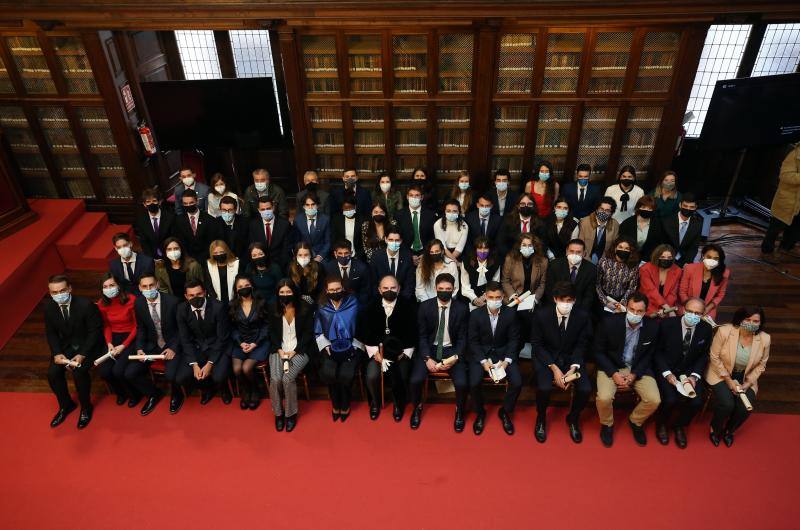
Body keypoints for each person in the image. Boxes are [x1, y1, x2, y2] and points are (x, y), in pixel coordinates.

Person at [594, 293, 661, 447]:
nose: (635, 314)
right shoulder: (609, 323)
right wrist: (614, 373)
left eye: (639, 311)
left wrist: (634, 374)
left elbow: (649, 355)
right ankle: (607, 424)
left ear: (645, 311)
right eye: (631, 309)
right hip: (611, 366)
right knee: (604, 398)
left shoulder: (652, 327)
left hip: (637, 367)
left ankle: (635, 421)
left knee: (654, 400)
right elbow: (598, 351)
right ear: (626, 307)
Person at [529, 281, 593, 443]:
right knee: (543, 387)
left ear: (575, 301)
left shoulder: (582, 316)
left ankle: (573, 418)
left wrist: (574, 367)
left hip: (571, 359)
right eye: (563, 300)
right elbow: (537, 345)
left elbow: (582, 344)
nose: (566, 304)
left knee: (585, 389)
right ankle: (541, 418)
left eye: (570, 300)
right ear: (555, 299)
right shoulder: (541, 315)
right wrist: (554, 368)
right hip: (547, 359)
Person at [409, 274, 469, 431]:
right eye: (441, 289)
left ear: (454, 290)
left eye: (448, 289)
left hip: (452, 351)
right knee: (415, 380)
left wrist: (454, 358)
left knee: (462, 383)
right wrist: (427, 358)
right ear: (435, 288)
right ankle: (417, 407)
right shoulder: (425, 307)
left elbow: (463, 338)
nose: (444, 292)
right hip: (430, 350)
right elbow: (421, 336)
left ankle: (460, 410)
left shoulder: (462, 309)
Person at [706, 306, 770, 447]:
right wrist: (728, 381)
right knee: (727, 404)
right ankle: (715, 428)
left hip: (745, 376)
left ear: (760, 323)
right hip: (720, 372)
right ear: (740, 319)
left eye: (755, 321)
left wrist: (747, 384)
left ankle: (729, 430)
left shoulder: (765, 339)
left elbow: (761, 365)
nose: (751, 323)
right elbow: (714, 357)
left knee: (746, 407)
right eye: (747, 319)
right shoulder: (724, 331)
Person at [45, 274, 103, 429]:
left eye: (62, 290)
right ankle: (66, 405)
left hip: (88, 347)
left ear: (69, 288)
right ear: (50, 293)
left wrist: (82, 354)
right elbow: (51, 333)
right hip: (66, 347)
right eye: (54, 292)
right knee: (52, 373)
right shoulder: (49, 307)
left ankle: (86, 407)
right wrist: (57, 352)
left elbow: (95, 332)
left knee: (79, 373)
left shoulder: (86, 305)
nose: (59, 295)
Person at [653, 298, 712, 448]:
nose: (693, 315)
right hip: (668, 369)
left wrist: (695, 376)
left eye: (697, 313)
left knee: (697, 402)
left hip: (689, 371)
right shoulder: (667, 325)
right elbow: (657, 352)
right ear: (683, 310)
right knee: (670, 399)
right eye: (690, 311)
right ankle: (662, 425)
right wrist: (667, 373)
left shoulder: (706, 329)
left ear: (703, 314)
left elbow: (703, 355)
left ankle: (679, 425)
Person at [359, 275, 417, 421]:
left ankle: (399, 403)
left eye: (393, 288)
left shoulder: (409, 306)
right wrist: (375, 353)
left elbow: (413, 332)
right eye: (385, 288)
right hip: (378, 354)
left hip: (401, 354)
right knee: (372, 375)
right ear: (379, 290)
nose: (389, 290)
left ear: (399, 289)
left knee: (402, 376)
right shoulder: (370, 307)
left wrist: (405, 353)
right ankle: (375, 402)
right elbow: (365, 332)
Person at [467, 281, 522, 435]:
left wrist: (507, 361)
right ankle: (480, 412)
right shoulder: (475, 314)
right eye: (491, 297)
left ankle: (505, 411)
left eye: (498, 297)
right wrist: (483, 362)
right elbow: (473, 341)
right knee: (474, 382)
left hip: (504, 355)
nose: (494, 300)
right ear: (485, 296)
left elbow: (514, 340)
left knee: (517, 382)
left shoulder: (511, 314)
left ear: (503, 297)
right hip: (482, 355)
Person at [133, 274, 188, 415]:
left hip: (171, 344)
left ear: (157, 284)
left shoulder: (173, 302)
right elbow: (141, 328)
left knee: (170, 375)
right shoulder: (138, 304)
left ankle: (177, 395)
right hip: (152, 344)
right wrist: (139, 348)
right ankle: (153, 394)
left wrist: (173, 348)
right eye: (144, 286)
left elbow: (181, 328)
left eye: (151, 285)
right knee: (130, 372)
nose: (148, 289)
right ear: (140, 288)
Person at [176, 280, 233, 405]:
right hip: (198, 347)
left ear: (205, 293)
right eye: (191, 295)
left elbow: (222, 338)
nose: (195, 298)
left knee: (218, 376)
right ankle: (207, 389)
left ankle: (224, 389)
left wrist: (209, 364)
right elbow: (185, 339)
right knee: (182, 377)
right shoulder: (181, 310)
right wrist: (194, 364)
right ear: (186, 296)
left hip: (218, 346)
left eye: (199, 294)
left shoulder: (218, 307)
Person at [315, 276, 363, 422]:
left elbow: (361, 326)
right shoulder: (322, 305)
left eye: (338, 289)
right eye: (331, 290)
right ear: (326, 290)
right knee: (329, 373)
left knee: (345, 374)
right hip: (330, 347)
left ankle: (345, 404)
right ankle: (335, 404)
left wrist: (354, 346)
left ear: (343, 288)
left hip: (352, 345)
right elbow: (317, 330)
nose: (335, 292)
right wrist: (326, 346)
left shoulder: (353, 302)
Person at [268, 280, 313, 432]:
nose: (285, 295)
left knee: (287, 379)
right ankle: (278, 413)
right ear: (277, 293)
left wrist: (294, 351)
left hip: (299, 350)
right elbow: (272, 333)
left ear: (294, 292)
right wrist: (280, 350)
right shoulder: (272, 308)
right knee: (275, 380)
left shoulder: (304, 308)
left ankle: (290, 414)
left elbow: (308, 334)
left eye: (288, 292)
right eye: (282, 292)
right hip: (278, 349)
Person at [96, 273, 139, 407]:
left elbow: (137, 326)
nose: (109, 288)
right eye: (105, 286)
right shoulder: (101, 304)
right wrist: (109, 343)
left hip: (130, 337)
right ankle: (121, 393)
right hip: (113, 337)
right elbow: (107, 325)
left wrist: (123, 345)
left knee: (118, 370)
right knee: (104, 372)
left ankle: (134, 395)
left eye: (112, 285)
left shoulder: (131, 299)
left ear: (119, 286)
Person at [229, 274, 269, 410]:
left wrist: (255, 343)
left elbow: (266, 326)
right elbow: (232, 328)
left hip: (259, 343)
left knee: (246, 368)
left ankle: (256, 390)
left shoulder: (261, 302)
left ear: (252, 286)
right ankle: (246, 391)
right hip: (240, 343)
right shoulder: (232, 305)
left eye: (246, 285)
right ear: (236, 289)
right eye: (240, 287)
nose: (244, 288)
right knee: (237, 369)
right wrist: (240, 342)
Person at [762, 143, 800, 257]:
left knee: (796, 228)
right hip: (788, 200)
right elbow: (785, 176)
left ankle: (786, 247)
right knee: (775, 228)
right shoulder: (794, 155)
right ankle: (767, 252)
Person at [678, 243, 730, 321]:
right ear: (703, 256)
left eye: (715, 258)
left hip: (707, 308)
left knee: (705, 328)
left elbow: (720, 295)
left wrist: (707, 309)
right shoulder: (689, 268)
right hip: (688, 306)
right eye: (709, 257)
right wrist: (692, 309)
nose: (711, 260)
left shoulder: (724, 273)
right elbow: (682, 291)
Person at [544, 239, 597, 313]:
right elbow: (549, 290)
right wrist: (559, 307)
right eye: (571, 251)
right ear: (566, 251)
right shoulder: (554, 265)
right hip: (557, 306)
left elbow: (589, 295)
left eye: (578, 252)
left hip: (579, 309)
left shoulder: (591, 269)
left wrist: (578, 311)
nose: (574, 254)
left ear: (584, 253)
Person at [174, 188, 222, 262]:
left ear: (197, 201)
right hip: (188, 260)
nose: (188, 205)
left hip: (208, 258)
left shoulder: (209, 220)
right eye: (185, 203)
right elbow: (180, 242)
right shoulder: (178, 221)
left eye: (191, 202)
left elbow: (212, 242)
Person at [596, 236, 640, 314]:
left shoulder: (634, 266)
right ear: (615, 248)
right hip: (603, 297)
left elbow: (632, 287)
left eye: (627, 248)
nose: (623, 250)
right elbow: (597, 284)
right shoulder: (604, 261)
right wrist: (605, 302)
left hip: (622, 300)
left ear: (631, 251)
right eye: (620, 247)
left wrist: (622, 303)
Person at [369, 227, 415, 301]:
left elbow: (409, 284)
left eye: (397, 240)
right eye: (391, 240)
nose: (394, 243)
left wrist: (401, 302)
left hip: (402, 300)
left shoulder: (407, 257)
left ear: (401, 241)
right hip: (381, 299)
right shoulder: (376, 257)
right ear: (386, 239)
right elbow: (373, 283)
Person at [501, 233, 548, 305]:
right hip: (514, 298)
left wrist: (535, 299)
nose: (527, 248)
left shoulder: (543, 261)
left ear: (534, 247)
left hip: (532, 298)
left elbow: (542, 284)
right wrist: (513, 295)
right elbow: (505, 281)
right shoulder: (510, 259)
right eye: (524, 245)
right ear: (519, 246)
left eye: (530, 245)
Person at [248, 195, 292, 270]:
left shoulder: (284, 224)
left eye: (268, 208)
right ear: (259, 210)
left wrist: (277, 267)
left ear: (273, 208)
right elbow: (252, 247)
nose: (266, 211)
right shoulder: (253, 225)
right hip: (259, 265)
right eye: (263, 209)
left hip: (280, 265)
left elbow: (286, 250)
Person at [324, 239, 372, 307]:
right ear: (335, 254)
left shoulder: (361, 268)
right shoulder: (329, 268)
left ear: (351, 253)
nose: (343, 256)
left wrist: (355, 305)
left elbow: (366, 291)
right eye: (340, 253)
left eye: (346, 253)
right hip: (335, 303)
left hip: (357, 303)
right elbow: (326, 289)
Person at [395, 184, 436, 263]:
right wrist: (408, 255)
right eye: (411, 195)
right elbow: (398, 238)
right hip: (406, 253)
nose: (414, 198)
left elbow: (432, 237)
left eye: (417, 195)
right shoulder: (399, 215)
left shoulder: (430, 215)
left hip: (426, 252)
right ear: (407, 197)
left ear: (422, 197)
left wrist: (426, 254)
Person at [639, 244, 682, 318]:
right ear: (656, 257)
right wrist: (666, 309)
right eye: (662, 257)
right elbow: (650, 291)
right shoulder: (645, 269)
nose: (666, 259)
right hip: (646, 304)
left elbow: (672, 294)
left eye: (669, 257)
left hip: (666, 308)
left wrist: (666, 310)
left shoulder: (677, 270)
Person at [460, 236, 501, 310]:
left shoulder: (496, 262)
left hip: (489, 297)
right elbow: (465, 285)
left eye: (485, 248)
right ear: (475, 249)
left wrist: (484, 297)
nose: (482, 251)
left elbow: (495, 283)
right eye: (480, 248)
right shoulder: (466, 261)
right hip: (470, 298)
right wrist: (475, 299)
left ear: (489, 249)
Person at [661, 192, 702, 267]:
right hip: (666, 257)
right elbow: (662, 243)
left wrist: (688, 262)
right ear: (680, 205)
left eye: (691, 207)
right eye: (685, 206)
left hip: (685, 260)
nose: (688, 209)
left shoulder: (698, 224)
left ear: (695, 207)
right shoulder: (666, 221)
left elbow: (694, 246)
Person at [133, 187, 175, 259]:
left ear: (159, 202)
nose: (151, 204)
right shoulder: (141, 220)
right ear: (144, 204)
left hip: (171, 253)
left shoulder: (170, 217)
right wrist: (151, 258)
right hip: (152, 255)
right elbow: (144, 242)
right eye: (148, 202)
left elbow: (174, 238)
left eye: (154, 201)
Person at [108, 232, 154, 296]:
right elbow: (117, 284)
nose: (122, 249)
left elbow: (151, 283)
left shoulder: (147, 261)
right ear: (115, 248)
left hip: (144, 295)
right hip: (125, 297)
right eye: (119, 247)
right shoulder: (113, 264)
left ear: (130, 244)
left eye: (125, 245)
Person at [577, 196, 619, 264]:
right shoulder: (584, 222)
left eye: (607, 210)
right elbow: (580, 244)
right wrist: (587, 262)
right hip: (585, 259)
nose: (603, 212)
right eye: (601, 209)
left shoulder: (615, 225)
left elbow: (613, 247)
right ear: (596, 209)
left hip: (605, 261)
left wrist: (604, 263)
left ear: (611, 213)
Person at [618, 195, 661, 262]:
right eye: (643, 207)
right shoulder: (627, 224)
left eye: (650, 208)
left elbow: (657, 245)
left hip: (648, 260)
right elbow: (621, 244)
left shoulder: (657, 224)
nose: (646, 210)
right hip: (627, 259)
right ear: (638, 207)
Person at [293, 194, 330, 262]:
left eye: (313, 204)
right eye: (307, 205)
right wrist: (304, 255)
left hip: (321, 255)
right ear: (304, 206)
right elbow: (296, 242)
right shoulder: (297, 220)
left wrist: (320, 256)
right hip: (303, 255)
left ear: (317, 205)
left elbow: (328, 242)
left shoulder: (325, 219)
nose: (310, 207)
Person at [288, 241, 325, 306]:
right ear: (295, 256)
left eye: (306, 255)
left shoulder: (319, 267)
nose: (303, 257)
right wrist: (302, 298)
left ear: (310, 255)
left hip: (316, 303)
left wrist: (314, 302)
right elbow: (290, 289)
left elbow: (322, 290)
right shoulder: (291, 268)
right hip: (297, 303)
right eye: (300, 255)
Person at [216, 196, 248, 267]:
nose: (227, 213)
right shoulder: (215, 223)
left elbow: (247, 245)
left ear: (235, 209)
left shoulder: (244, 222)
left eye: (230, 210)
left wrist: (240, 262)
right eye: (224, 210)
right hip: (221, 261)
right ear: (220, 209)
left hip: (241, 261)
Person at [204, 240, 239, 305]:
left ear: (227, 251)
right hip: (216, 301)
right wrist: (215, 299)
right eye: (215, 253)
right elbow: (208, 284)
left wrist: (235, 299)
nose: (219, 255)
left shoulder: (236, 263)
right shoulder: (209, 265)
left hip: (234, 300)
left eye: (221, 252)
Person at [330, 194, 364, 258]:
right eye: (345, 208)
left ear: (355, 207)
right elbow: (333, 239)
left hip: (358, 256)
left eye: (350, 207)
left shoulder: (362, 220)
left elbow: (364, 242)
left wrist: (358, 256)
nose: (348, 210)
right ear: (342, 208)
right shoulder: (336, 220)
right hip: (341, 255)